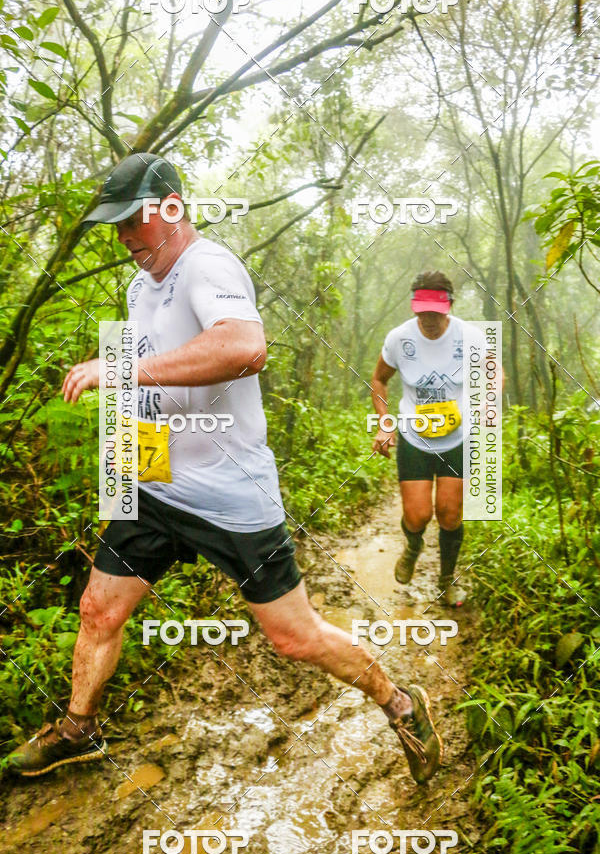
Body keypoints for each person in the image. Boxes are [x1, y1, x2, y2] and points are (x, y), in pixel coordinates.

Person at [7, 153, 442, 785]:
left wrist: (122, 369)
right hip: (156, 487)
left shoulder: (207, 265)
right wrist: (128, 472)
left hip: (231, 497)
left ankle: (399, 702)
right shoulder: (138, 288)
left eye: (132, 220)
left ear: (172, 208)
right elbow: (147, 386)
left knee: (293, 637)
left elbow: (244, 347)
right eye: (115, 225)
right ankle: (80, 729)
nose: (123, 236)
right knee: (99, 609)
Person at [371, 271, 483, 607]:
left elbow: (495, 375)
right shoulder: (399, 339)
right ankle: (413, 546)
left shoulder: (470, 337)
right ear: (413, 306)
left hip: (457, 438)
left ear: (450, 305)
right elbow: (379, 379)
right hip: (414, 437)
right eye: (423, 311)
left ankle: (447, 580)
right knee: (417, 516)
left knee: (449, 514)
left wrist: (487, 401)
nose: (429, 319)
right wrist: (385, 424)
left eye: (436, 311)